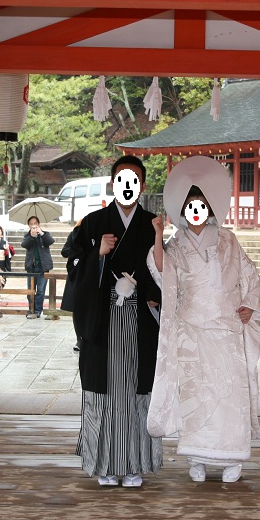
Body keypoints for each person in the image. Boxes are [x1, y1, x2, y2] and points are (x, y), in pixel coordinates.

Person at [147, 157, 260, 483]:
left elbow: (250, 275)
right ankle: (197, 457)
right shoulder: (176, 244)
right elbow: (162, 272)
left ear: (210, 206)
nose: (196, 209)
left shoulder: (228, 240)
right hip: (191, 330)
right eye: (190, 205)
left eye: (201, 204)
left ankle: (232, 457)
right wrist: (158, 235)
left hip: (226, 326)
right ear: (183, 210)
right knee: (195, 394)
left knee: (229, 392)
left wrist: (248, 304)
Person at [73, 155, 162, 488]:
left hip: (139, 317)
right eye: (123, 179)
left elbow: (161, 270)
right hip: (103, 318)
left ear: (141, 185)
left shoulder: (152, 223)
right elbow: (74, 264)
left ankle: (135, 463)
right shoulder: (94, 223)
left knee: (135, 392)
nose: (129, 185)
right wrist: (97, 253)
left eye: (135, 179)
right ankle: (105, 464)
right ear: (113, 183)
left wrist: (153, 292)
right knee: (105, 391)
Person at [21, 216, 55, 319]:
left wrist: (41, 233)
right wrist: (32, 236)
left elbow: (50, 241)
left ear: (39, 224)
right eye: (31, 223)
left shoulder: (45, 234)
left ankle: (38, 310)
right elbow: (24, 245)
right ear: (29, 225)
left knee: (40, 290)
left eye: (35, 223)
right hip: (31, 267)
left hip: (42, 267)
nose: (33, 225)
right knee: (30, 290)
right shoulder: (27, 236)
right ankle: (31, 309)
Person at [60, 219, 84, 352]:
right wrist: (76, 251)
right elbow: (64, 251)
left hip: (90, 273)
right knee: (77, 308)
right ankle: (79, 339)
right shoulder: (73, 234)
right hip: (75, 273)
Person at [0, 225, 14, 317]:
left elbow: (8, 256)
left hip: (2, 266)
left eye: (0, 231)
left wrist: (7, 249)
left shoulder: (4, 242)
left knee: (1, 284)